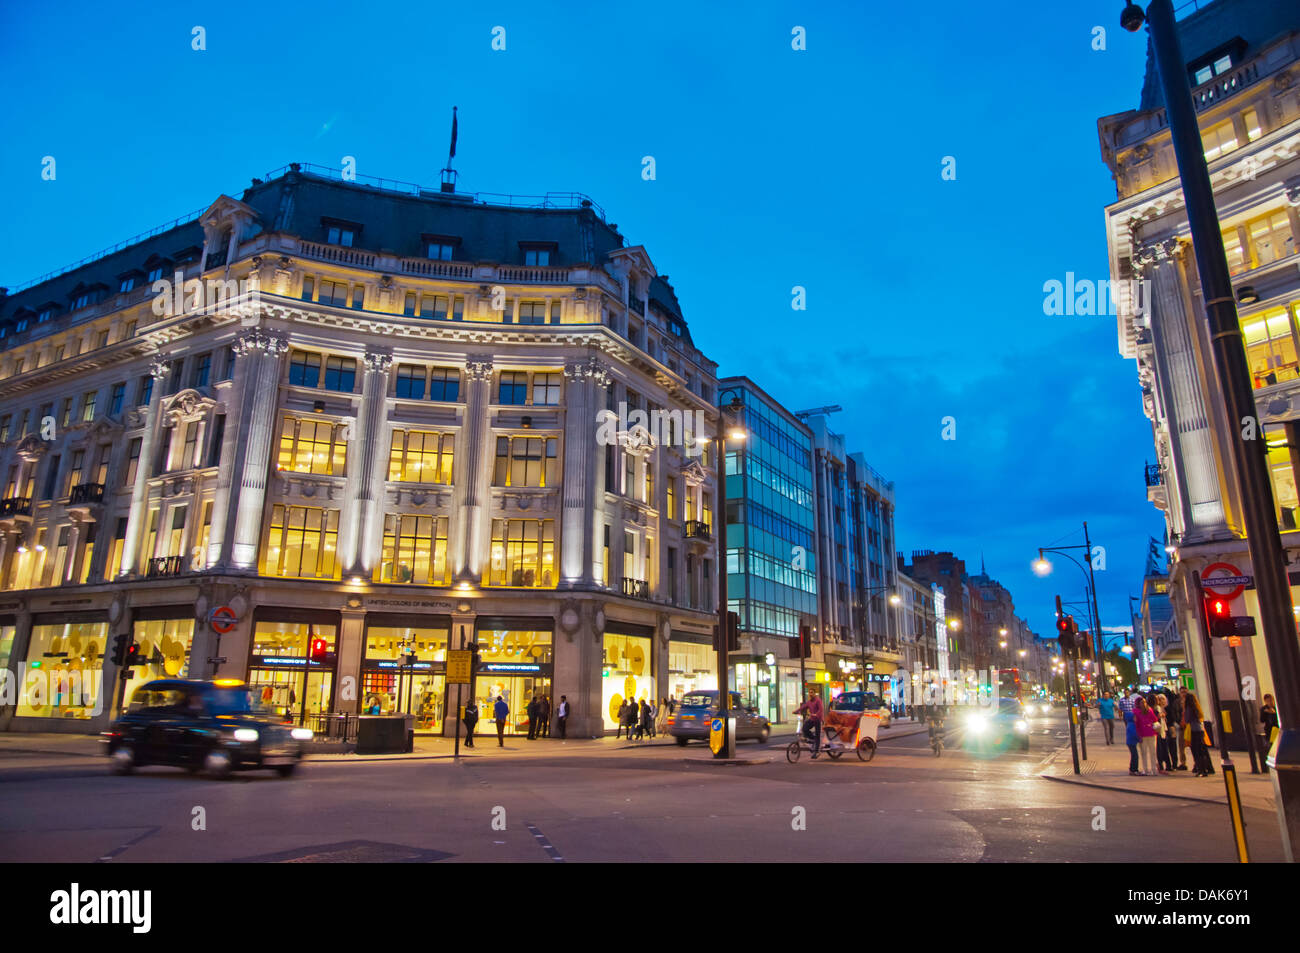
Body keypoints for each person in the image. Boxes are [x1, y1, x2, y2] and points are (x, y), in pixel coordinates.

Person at [1181, 688, 1214, 777]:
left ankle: (1201, 770)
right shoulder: (1197, 708)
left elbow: (1187, 720)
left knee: (1196, 751)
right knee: (1202, 751)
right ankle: (1206, 768)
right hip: (1200, 730)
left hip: (1193, 731)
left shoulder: (1188, 709)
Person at [795, 690, 825, 759]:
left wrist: (816, 714)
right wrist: (796, 711)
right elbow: (803, 707)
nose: (810, 694)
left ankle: (817, 751)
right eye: (809, 693)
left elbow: (821, 710)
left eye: (812, 692)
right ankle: (813, 739)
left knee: (818, 734)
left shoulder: (818, 701)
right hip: (812, 719)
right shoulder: (809, 702)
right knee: (804, 728)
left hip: (818, 719)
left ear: (814, 694)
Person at [1154, 694, 1173, 773]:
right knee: (1161, 749)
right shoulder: (1157, 708)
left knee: (1164, 748)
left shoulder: (1164, 708)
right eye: (1159, 699)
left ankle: (1167, 765)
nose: (1161, 701)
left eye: (1163, 699)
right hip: (1159, 731)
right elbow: (1157, 717)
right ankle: (1162, 765)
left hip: (1163, 730)